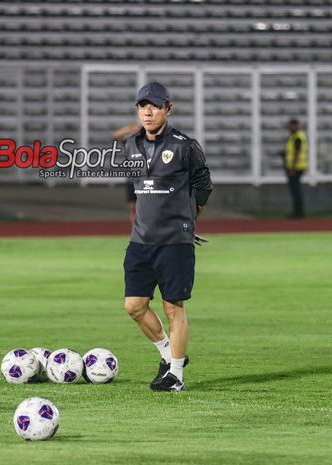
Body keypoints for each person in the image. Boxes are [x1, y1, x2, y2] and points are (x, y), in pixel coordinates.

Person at [121, 82, 213, 392]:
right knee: (134, 306)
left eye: (155, 105)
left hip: (175, 243)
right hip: (140, 241)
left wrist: (187, 220)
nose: (148, 111)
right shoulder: (130, 146)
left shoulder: (186, 146)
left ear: (168, 109)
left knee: (174, 308)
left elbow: (204, 186)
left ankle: (175, 375)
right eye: (143, 105)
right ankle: (168, 353)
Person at [113, 122, 141, 225]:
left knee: (143, 205)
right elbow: (116, 136)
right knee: (132, 206)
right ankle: (135, 228)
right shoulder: (129, 141)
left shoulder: (146, 141)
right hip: (131, 177)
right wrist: (128, 129)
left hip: (144, 177)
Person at [284, 119, 308, 219]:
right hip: (298, 166)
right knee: (295, 191)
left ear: (295, 126)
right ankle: (298, 212)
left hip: (296, 168)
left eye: (291, 126)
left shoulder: (297, 137)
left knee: (296, 191)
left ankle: (298, 213)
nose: (289, 128)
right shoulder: (297, 136)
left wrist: (292, 168)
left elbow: (296, 153)